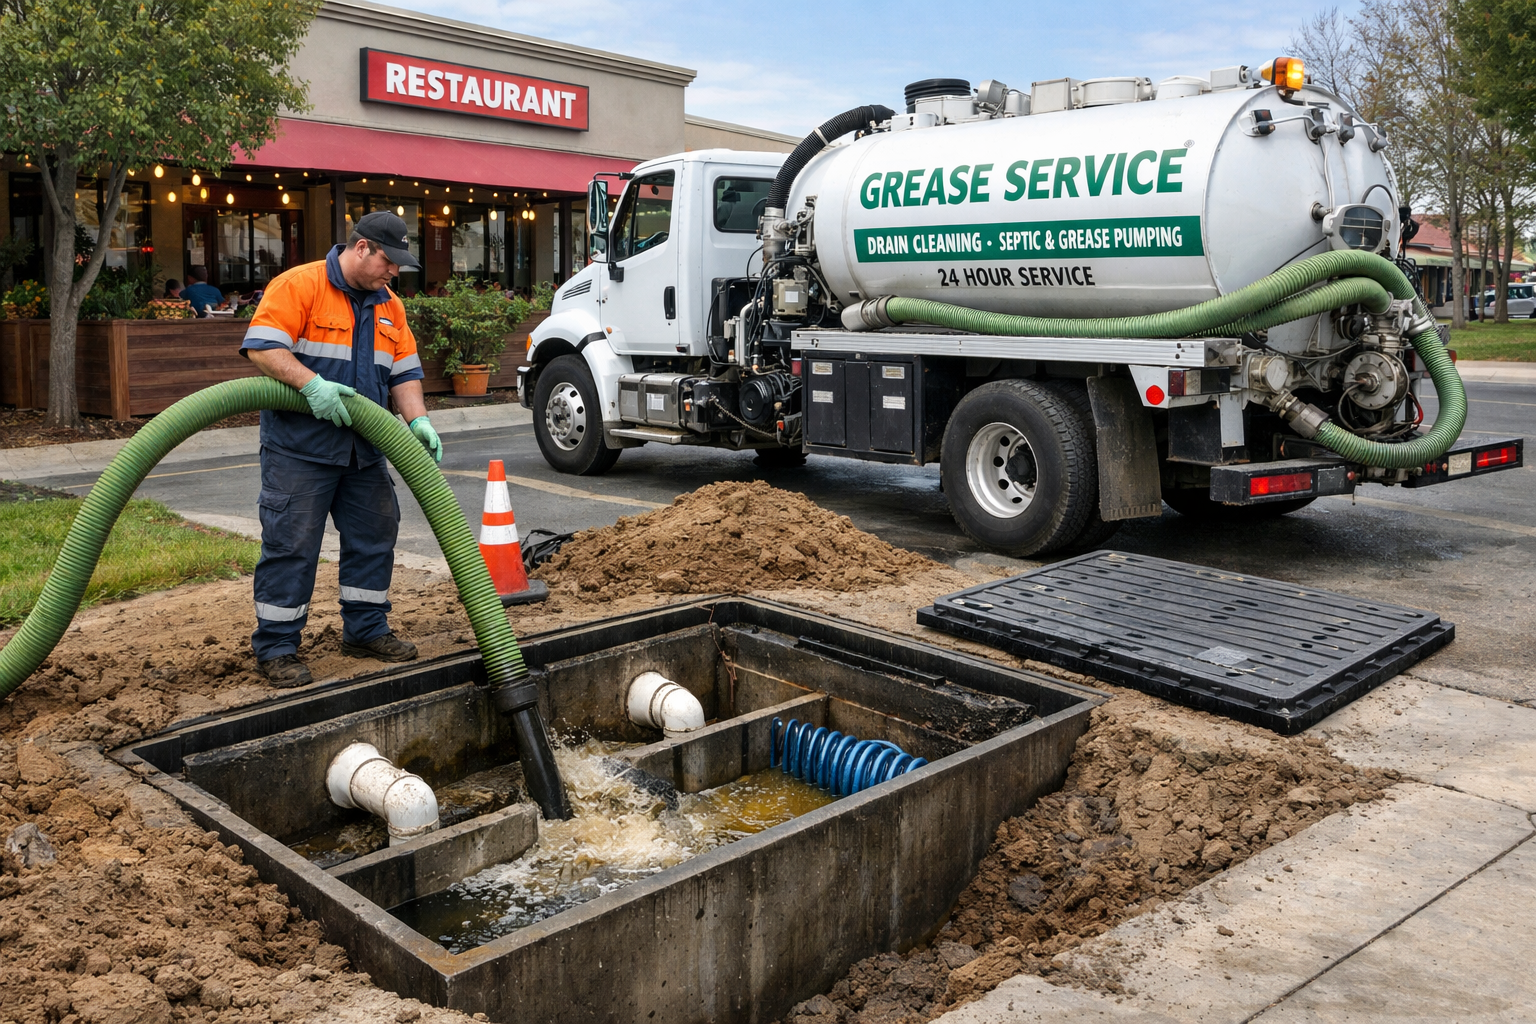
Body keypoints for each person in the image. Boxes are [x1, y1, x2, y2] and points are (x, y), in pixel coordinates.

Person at [238, 211, 443, 688]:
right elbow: (263, 348)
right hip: (300, 450)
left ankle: (366, 629)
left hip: (364, 451)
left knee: (375, 536)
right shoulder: (300, 286)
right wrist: (312, 386)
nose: (394, 273)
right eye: (389, 262)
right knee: (292, 546)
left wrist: (419, 421)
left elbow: (404, 373)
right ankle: (277, 648)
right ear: (363, 247)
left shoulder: (390, 305)